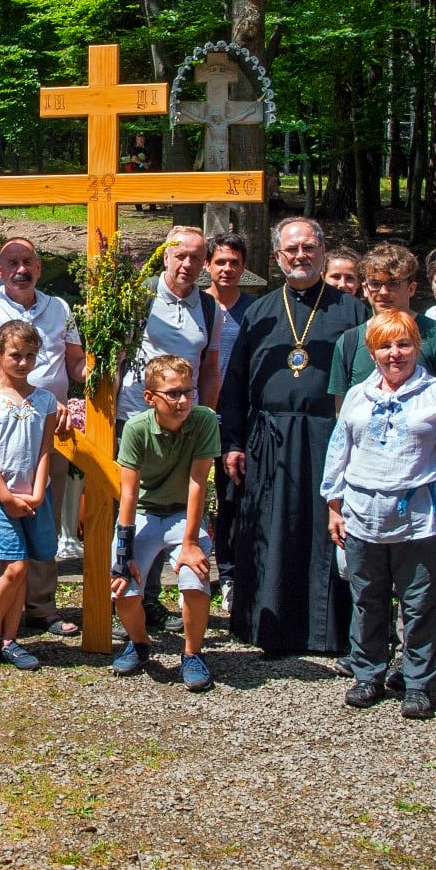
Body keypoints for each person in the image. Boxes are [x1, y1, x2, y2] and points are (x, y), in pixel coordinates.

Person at [219, 216, 367, 656]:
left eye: (308, 248)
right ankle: (269, 629)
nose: (299, 256)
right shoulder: (260, 312)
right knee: (271, 529)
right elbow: (235, 383)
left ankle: (326, 633)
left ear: (322, 252)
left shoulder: (353, 311)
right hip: (270, 439)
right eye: (290, 250)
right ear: (278, 256)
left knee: (324, 533)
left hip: (329, 437)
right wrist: (232, 442)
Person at [321, 310, 436, 720]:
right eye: (385, 346)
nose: (395, 353)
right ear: (372, 351)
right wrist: (334, 505)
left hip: (419, 515)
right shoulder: (357, 396)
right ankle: (368, 672)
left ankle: (418, 681)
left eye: (403, 344)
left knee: (420, 602)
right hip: (364, 512)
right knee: (367, 598)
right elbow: (339, 450)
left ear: (416, 347)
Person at [0, 238, 86, 634]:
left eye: (29, 262)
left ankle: (42, 606)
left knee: (44, 521)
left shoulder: (60, 308)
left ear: (38, 267)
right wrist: (38, 402)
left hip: (51, 428)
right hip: (4, 429)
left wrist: (103, 368)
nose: (22, 269)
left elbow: (75, 364)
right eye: (12, 263)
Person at [108, 355, 221, 692]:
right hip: (143, 512)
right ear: (150, 398)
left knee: (194, 579)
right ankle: (140, 644)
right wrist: (124, 554)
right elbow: (127, 493)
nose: (183, 400)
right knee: (123, 589)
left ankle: (192, 653)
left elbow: (198, 482)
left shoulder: (203, 421)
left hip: (182, 515)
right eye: (172, 394)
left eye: (188, 391)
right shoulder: (136, 428)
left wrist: (190, 543)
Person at [0, 320, 60, 672]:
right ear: (0, 355)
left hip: (33, 495)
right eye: (15, 355)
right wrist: (5, 495)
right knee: (14, 565)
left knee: (22, 569)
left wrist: (37, 493)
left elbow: (43, 451)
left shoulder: (45, 400)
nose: (22, 362)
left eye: (29, 356)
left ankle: (10, 639)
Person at [329, 241, 436, 406]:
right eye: (375, 284)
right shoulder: (349, 342)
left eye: (393, 284)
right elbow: (342, 412)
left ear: (412, 288)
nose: (383, 292)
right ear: (364, 288)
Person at [117, 227, 220, 425]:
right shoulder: (141, 295)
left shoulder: (210, 308)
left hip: (185, 421)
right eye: (180, 256)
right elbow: (116, 359)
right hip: (135, 418)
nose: (187, 265)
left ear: (205, 263)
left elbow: (210, 369)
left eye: (195, 258)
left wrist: (206, 418)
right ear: (166, 258)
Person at [205, 234, 254, 600]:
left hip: (236, 417)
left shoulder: (254, 311)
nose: (227, 269)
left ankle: (232, 573)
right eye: (220, 261)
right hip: (194, 412)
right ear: (208, 265)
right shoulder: (195, 305)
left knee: (232, 498)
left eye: (234, 262)